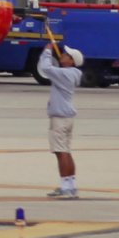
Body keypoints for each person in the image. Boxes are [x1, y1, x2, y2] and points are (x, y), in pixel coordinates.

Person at [37, 41, 84, 198]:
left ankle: (65, 186)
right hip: (67, 117)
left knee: (60, 151)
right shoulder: (72, 74)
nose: (63, 55)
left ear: (71, 61)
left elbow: (45, 68)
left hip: (60, 117)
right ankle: (71, 185)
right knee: (66, 151)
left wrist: (47, 51)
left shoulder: (65, 74)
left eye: (67, 55)